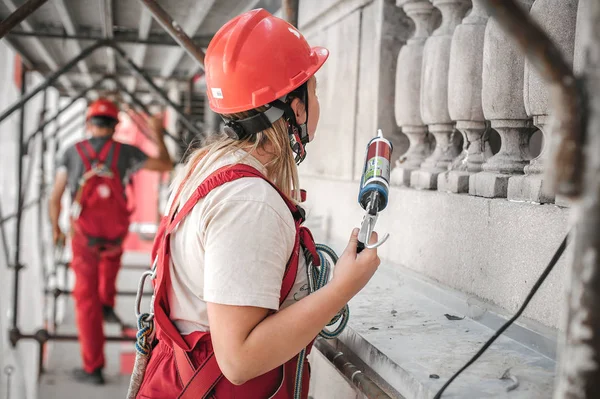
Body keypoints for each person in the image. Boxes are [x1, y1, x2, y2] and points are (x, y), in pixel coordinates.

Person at [134, 9, 380, 399]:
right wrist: (343, 288)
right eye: (312, 90)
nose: (316, 102)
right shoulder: (249, 202)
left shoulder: (205, 167)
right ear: (293, 108)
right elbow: (239, 361)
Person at [48, 98, 173, 385]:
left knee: (85, 301)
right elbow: (165, 163)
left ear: (88, 123)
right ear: (116, 126)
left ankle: (93, 367)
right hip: (116, 234)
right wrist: (157, 132)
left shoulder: (71, 152)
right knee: (110, 262)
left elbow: (55, 197)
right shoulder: (126, 152)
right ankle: (107, 302)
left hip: (84, 237)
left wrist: (56, 228)